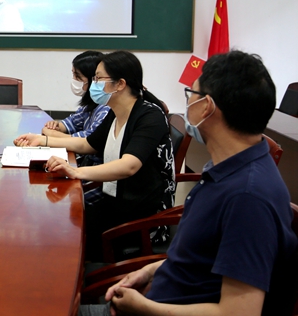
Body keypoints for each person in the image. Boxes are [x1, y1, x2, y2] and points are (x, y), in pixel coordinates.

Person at [80, 51, 298, 316]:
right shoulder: (225, 169)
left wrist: (144, 307)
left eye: (190, 94)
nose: (187, 104)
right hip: (158, 293)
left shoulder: (247, 197)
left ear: (207, 107)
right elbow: (199, 256)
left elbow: (239, 312)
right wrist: (151, 270)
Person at [14, 50, 174, 260]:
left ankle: (83, 277)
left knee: (67, 231)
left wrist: (75, 172)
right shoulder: (116, 111)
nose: (93, 84)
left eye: (98, 78)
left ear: (120, 84)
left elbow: (129, 165)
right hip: (114, 201)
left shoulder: (149, 116)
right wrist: (41, 140)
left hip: (141, 215)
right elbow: (88, 143)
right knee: (55, 220)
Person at [41, 50, 110, 167]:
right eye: (73, 74)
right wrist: (56, 126)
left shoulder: (105, 108)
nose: (74, 79)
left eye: (77, 76)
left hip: (96, 169)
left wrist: (51, 135)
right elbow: (72, 122)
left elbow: (88, 141)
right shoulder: (90, 104)